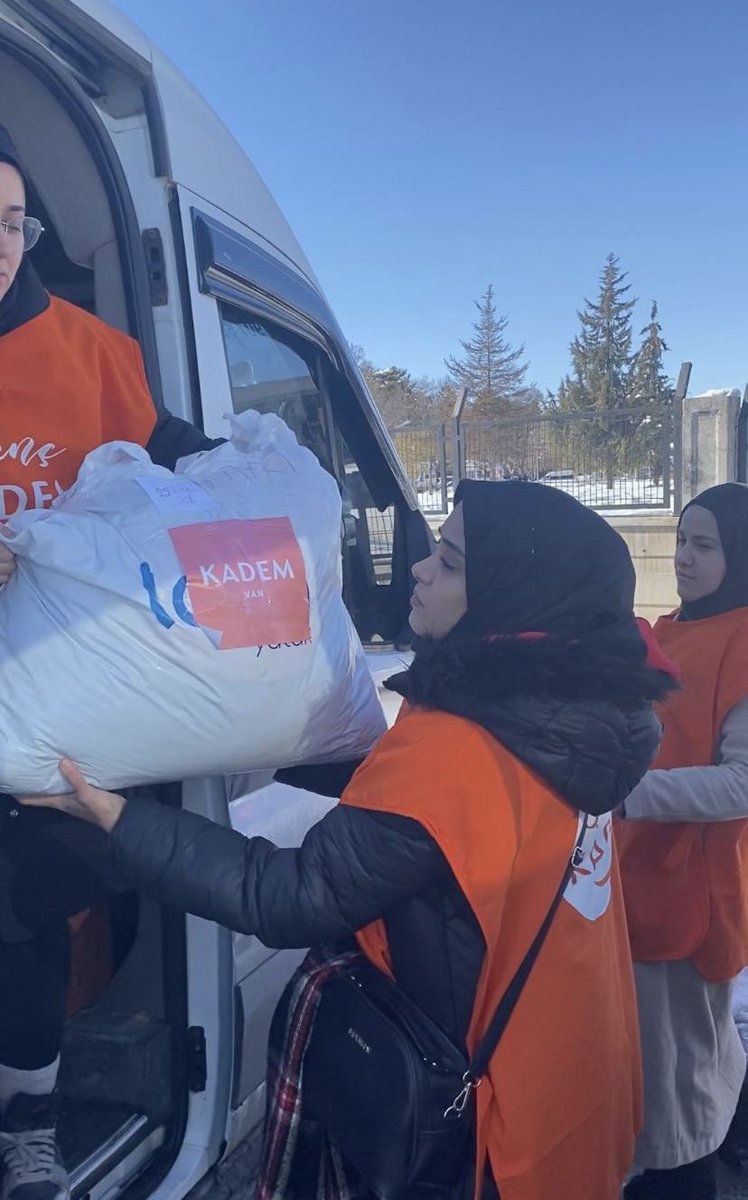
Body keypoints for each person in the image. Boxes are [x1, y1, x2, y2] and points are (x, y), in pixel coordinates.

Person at [23, 480, 674, 1200]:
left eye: (450, 562)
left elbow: (289, 896)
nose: (420, 568)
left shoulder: (457, 752)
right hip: (571, 1079)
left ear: (511, 601)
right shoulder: (567, 726)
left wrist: (117, 818)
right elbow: (415, 817)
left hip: (481, 1126)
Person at [0, 125, 219, 1200]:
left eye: (11, 221)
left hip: (60, 707)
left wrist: (246, 473)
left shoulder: (88, 351)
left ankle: (28, 1123)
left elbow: (161, 467)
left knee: (21, 909)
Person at [618, 483, 748, 1200]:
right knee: (659, 1068)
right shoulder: (671, 627)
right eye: (681, 541)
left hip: (689, 898)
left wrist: (629, 794)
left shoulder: (744, 641)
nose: (683, 558)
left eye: (704, 545)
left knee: (680, 1085)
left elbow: (742, 783)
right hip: (636, 880)